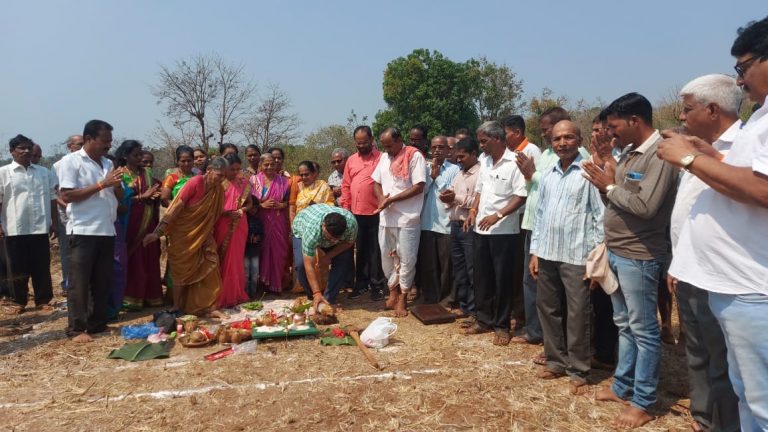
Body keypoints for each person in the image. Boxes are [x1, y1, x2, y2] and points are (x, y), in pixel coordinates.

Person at [657, 18, 768, 429]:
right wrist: (714, 159)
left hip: (751, 289)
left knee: (759, 402)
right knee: (744, 394)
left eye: (744, 67)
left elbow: (763, 191)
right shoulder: (760, 120)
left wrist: (691, 159)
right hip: (725, 282)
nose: (740, 81)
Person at [582, 93, 678, 428]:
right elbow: (619, 198)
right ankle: (623, 385)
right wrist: (604, 180)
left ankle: (644, 401)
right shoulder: (628, 155)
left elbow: (646, 207)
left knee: (644, 329)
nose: (611, 133)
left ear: (635, 121)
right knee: (625, 324)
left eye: (614, 126)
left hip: (640, 254)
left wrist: (608, 186)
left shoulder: (660, 155)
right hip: (619, 251)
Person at [664, 74, 742, 432]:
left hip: (722, 275)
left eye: (687, 109)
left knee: (722, 360)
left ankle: (725, 423)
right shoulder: (693, 149)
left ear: (712, 110)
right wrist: (678, 262)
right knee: (696, 352)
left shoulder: (743, 147)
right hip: (689, 268)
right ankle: (703, 416)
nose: (681, 116)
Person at [528, 121, 604, 392]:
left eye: (568, 137)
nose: (562, 143)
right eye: (558, 138)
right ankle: (555, 362)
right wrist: (535, 251)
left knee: (578, 312)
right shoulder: (548, 175)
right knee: (548, 308)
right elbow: (540, 216)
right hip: (547, 252)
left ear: (579, 140)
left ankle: (579, 370)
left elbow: (599, 217)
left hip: (576, 255)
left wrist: (594, 258)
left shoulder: (588, 173)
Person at [513, 108, 589, 349]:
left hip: (573, 246)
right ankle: (545, 341)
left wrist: (596, 250)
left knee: (572, 303)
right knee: (540, 293)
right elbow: (543, 199)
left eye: (563, 136)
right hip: (539, 232)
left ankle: (574, 357)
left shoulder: (585, 165)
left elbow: (596, 214)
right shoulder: (548, 155)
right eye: (554, 137)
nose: (557, 141)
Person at [59, 120, 124, 342]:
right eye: (104, 141)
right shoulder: (71, 162)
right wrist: (101, 185)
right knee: (79, 282)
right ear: (89, 139)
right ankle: (76, 329)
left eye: (110, 141)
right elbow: (66, 195)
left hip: (106, 229)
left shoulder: (107, 163)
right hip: (84, 230)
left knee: (101, 279)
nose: (108, 145)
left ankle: (97, 323)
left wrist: (116, 186)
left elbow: (119, 197)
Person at [464, 121, 527, 346]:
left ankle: (502, 326)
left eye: (483, 141)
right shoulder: (485, 162)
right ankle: (484, 319)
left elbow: (520, 196)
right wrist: (473, 210)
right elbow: (480, 190)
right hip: (482, 228)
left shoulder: (515, 163)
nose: (480, 146)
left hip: (504, 232)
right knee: (482, 277)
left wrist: (498, 216)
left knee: (503, 280)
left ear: (498, 139)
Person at [142, 157, 229, 318]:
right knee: (181, 271)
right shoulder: (195, 182)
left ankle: (209, 307)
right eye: (219, 175)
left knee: (211, 264)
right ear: (209, 170)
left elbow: (214, 214)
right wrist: (158, 232)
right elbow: (176, 207)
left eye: (224, 176)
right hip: (183, 234)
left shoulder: (218, 189)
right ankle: (177, 306)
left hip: (204, 234)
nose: (221, 179)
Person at [0, 135, 58, 314]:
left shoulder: (43, 172)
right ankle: (18, 301)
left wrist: (54, 222)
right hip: (14, 227)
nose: (26, 151)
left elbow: (52, 199)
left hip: (40, 227)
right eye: (21, 148)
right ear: (12, 151)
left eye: (28, 148)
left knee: (41, 265)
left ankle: (43, 300)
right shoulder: (3, 173)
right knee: (17, 266)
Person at [372, 127, 426, 317]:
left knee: (407, 258)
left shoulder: (414, 156)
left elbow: (419, 186)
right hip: (386, 217)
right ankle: (392, 292)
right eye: (384, 146)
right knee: (387, 256)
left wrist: (392, 199)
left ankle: (403, 297)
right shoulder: (384, 158)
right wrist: (381, 199)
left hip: (407, 217)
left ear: (399, 140)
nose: (387, 150)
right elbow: (376, 182)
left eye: (389, 146)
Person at [502, 114, 543, 337]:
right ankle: (518, 313)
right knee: (517, 269)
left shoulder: (531, 151)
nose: (504, 137)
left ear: (517, 132)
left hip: (522, 215)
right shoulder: (510, 153)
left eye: (506, 132)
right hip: (516, 216)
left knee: (524, 271)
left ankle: (524, 317)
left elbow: (532, 186)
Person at [117, 140, 163, 311]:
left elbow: (156, 192)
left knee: (149, 258)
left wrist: (154, 195)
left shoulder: (147, 173)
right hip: (130, 223)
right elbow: (120, 200)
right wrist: (142, 197)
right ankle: (131, 298)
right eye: (135, 155)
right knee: (134, 260)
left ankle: (151, 296)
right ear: (125, 156)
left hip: (148, 222)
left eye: (140, 154)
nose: (139, 158)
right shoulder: (120, 174)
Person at [341, 126, 386, 301]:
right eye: (358, 143)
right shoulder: (351, 160)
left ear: (372, 140)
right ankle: (361, 284)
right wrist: (346, 209)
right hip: (356, 213)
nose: (361, 146)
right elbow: (346, 185)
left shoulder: (382, 158)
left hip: (376, 212)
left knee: (376, 250)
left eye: (364, 142)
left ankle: (377, 285)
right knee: (360, 251)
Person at [439, 137, 480, 325]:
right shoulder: (459, 174)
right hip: (455, 225)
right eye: (457, 156)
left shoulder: (480, 174)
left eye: (462, 156)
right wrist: (448, 197)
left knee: (473, 270)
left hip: (469, 226)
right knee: (460, 270)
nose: (459, 160)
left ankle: (474, 311)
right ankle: (464, 306)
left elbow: (479, 201)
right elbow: (453, 197)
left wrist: (456, 197)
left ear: (473, 154)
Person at [416, 136, 459, 306]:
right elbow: (421, 192)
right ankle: (430, 298)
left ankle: (446, 300)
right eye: (434, 147)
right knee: (429, 265)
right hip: (427, 223)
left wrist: (438, 177)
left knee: (446, 266)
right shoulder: (425, 169)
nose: (437, 151)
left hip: (446, 224)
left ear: (448, 150)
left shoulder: (455, 169)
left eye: (441, 147)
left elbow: (448, 195)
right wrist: (430, 177)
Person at [292, 204, 356, 307]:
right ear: (324, 226)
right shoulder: (311, 230)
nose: (333, 241)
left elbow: (348, 243)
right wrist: (316, 292)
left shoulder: (351, 223)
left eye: (336, 238)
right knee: (301, 266)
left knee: (343, 260)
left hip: (322, 228)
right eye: (330, 237)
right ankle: (313, 297)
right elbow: (309, 265)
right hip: (302, 226)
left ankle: (328, 299)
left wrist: (328, 256)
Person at [214, 153, 252, 309]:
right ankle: (220, 295)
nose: (235, 172)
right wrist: (225, 213)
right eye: (232, 169)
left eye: (237, 169)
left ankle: (236, 293)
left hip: (239, 223)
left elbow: (250, 203)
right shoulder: (218, 183)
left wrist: (242, 210)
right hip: (222, 223)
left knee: (235, 260)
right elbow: (212, 208)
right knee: (222, 259)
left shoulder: (244, 182)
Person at [250, 153, 291, 293]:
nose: (269, 167)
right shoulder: (253, 181)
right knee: (261, 250)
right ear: (260, 166)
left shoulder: (284, 182)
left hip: (278, 222)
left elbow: (287, 202)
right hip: (260, 222)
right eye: (266, 164)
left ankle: (275, 284)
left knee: (279, 252)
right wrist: (262, 205)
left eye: (272, 164)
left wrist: (282, 205)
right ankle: (261, 285)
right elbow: (249, 203)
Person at [52, 134, 84, 294]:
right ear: (69, 147)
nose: (81, 147)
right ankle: (67, 283)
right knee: (66, 250)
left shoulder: (87, 163)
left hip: (84, 214)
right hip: (65, 214)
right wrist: (69, 206)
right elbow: (56, 192)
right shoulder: (59, 165)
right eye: (79, 144)